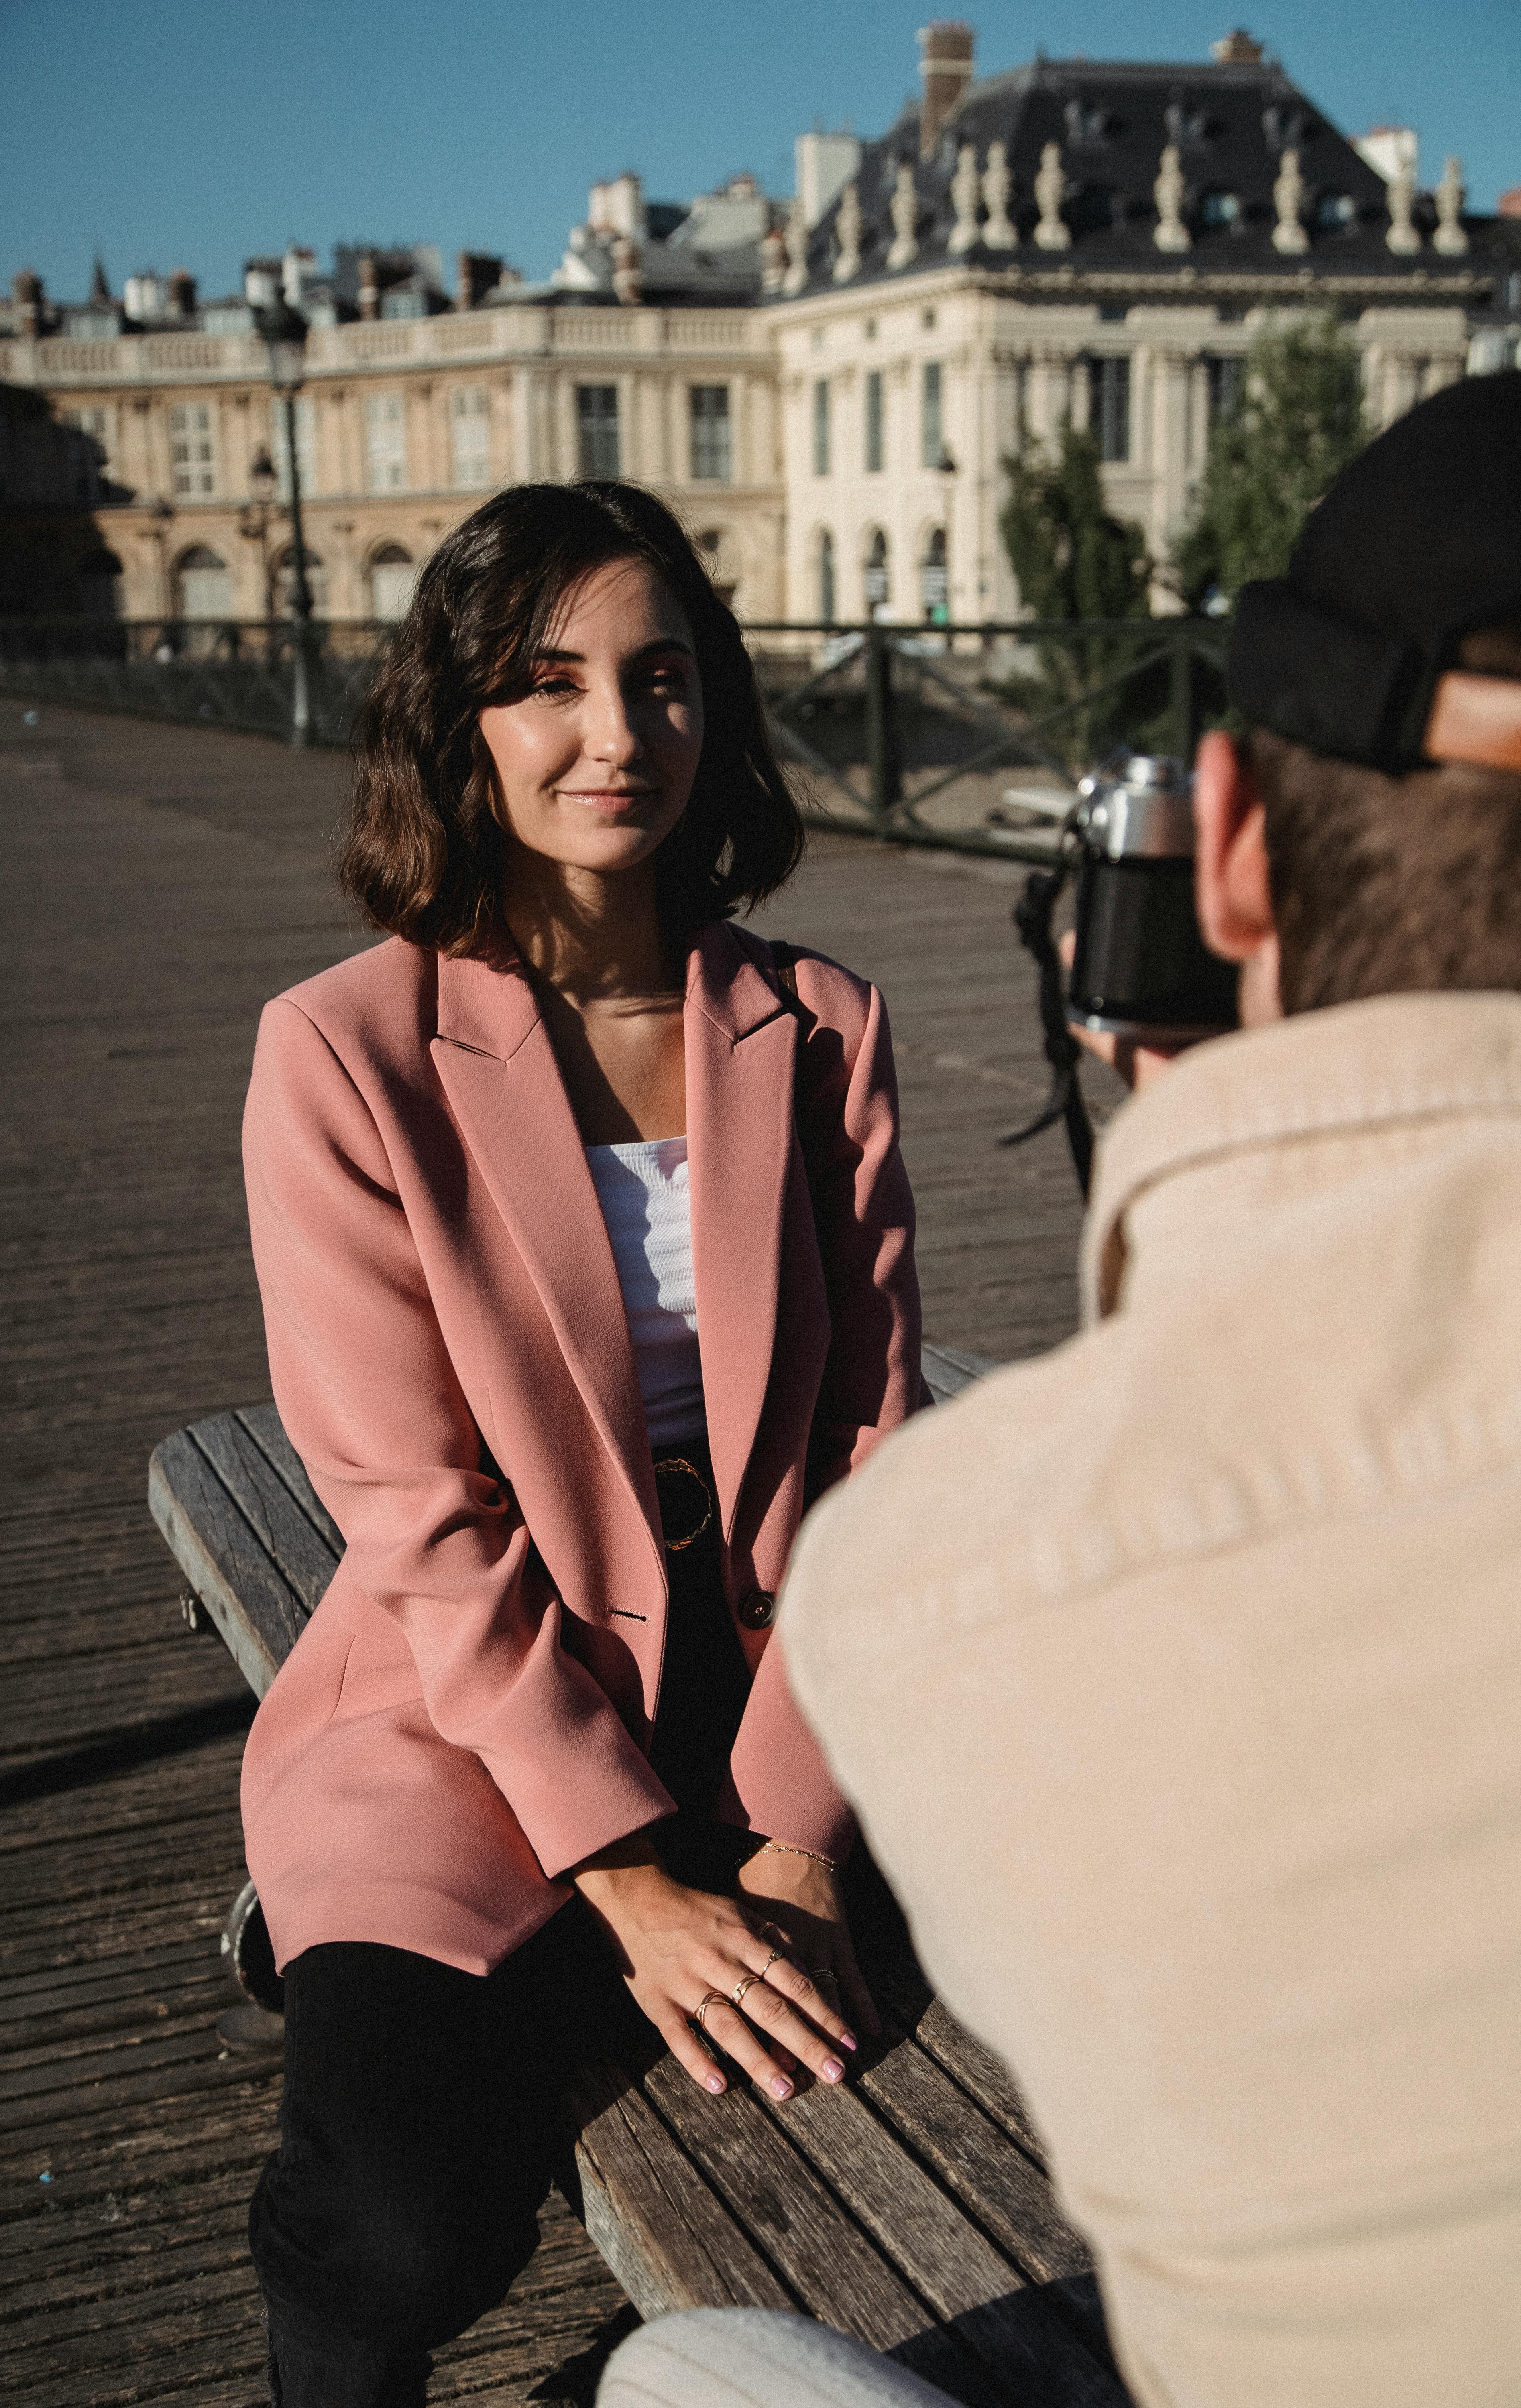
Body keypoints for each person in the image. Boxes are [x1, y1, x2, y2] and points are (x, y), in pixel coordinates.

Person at [607, 371, 1521, 2408]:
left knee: (689, 2377)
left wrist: (1240, 1184)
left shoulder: (940, 1588)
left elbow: (1250, 1552)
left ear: (1229, 871)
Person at [238, 480, 925, 2408]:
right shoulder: (344, 1051)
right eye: (545, 684)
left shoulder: (817, 1022)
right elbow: (418, 1515)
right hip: (473, 1705)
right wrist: (627, 1876)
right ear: (460, 721)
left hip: (783, 1679)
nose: (616, 735)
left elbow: (879, 1435)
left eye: (661, 678)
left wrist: (794, 1825)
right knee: (403, 2219)